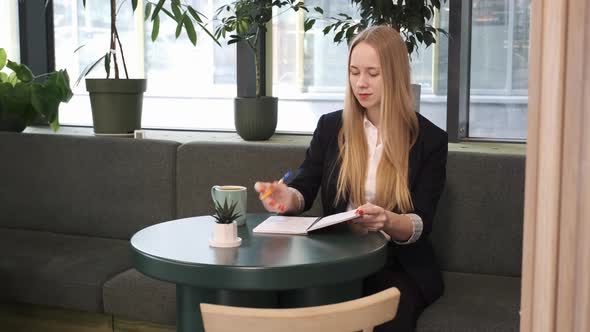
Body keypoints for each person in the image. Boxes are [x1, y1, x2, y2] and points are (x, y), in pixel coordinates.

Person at [254, 25, 447, 332]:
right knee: (290, 303)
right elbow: (305, 182)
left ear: (395, 75)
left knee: (388, 315)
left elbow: (421, 221)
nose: (361, 83)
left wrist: (388, 220)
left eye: (373, 73)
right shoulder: (332, 127)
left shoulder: (430, 141)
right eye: (354, 72)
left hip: (396, 262)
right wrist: (287, 197)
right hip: (336, 257)